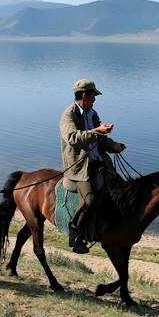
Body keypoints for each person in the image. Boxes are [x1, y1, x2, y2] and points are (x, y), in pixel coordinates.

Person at [59, 78, 126, 253]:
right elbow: (73, 138)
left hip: (98, 161)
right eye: (93, 96)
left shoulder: (92, 113)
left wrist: (114, 146)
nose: (95, 99)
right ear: (83, 95)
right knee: (89, 199)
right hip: (80, 166)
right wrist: (97, 131)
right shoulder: (69, 115)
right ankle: (76, 233)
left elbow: (100, 139)